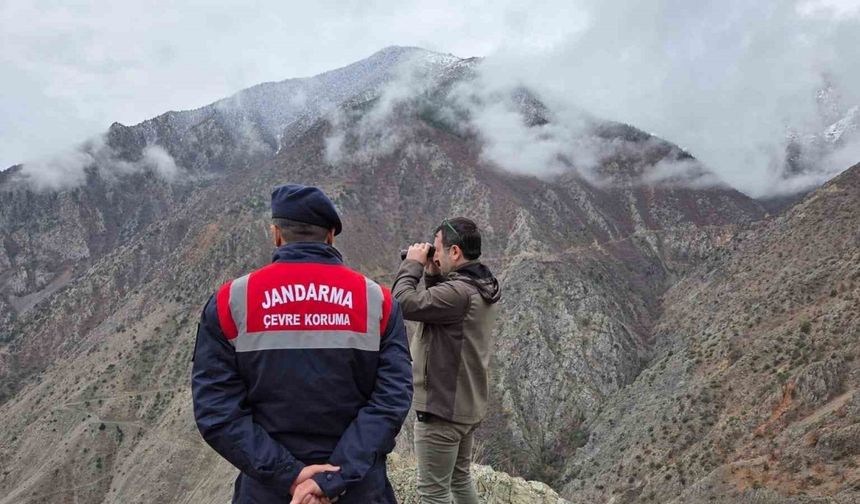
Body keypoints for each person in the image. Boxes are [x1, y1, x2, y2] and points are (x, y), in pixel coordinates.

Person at [192, 184, 413, 504]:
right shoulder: (378, 302)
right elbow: (392, 400)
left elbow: (216, 410)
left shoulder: (231, 302)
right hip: (358, 488)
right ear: (331, 236)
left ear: (276, 234)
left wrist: (290, 475)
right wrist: (332, 478)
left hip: (268, 492)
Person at [392, 217, 501, 504]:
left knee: (433, 493)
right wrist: (432, 275)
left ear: (455, 252)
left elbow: (401, 303)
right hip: (464, 404)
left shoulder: (459, 293)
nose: (434, 253)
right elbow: (441, 311)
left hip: (442, 409)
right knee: (459, 480)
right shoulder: (478, 284)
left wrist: (413, 265)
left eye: (437, 248)